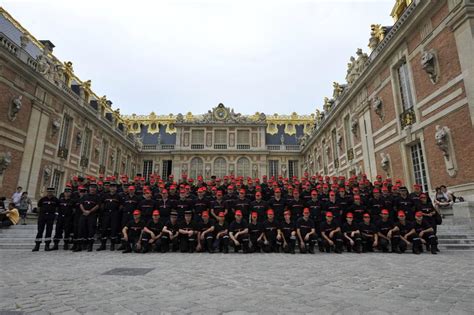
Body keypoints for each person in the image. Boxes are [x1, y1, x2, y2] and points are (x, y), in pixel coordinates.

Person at [75, 183, 101, 252]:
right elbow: (81, 204)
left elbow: (97, 206)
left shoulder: (97, 197)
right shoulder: (85, 196)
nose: (92, 189)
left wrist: (89, 211)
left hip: (92, 215)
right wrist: (84, 211)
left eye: (94, 188)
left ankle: (90, 246)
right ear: (89, 189)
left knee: (91, 231)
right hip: (84, 214)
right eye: (91, 187)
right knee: (81, 229)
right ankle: (79, 246)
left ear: (96, 189)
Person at [97, 183, 123, 251]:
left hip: (115, 214)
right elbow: (101, 204)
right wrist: (103, 211)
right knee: (104, 229)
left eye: (114, 187)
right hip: (106, 213)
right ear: (109, 188)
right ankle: (103, 245)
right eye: (111, 187)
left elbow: (121, 205)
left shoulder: (118, 196)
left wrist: (117, 212)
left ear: (116, 188)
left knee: (113, 229)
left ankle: (112, 244)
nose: (112, 188)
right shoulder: (105, 196)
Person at [33, 188, 59, 252]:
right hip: (42, 216)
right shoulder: (43, 199)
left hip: (50, 216)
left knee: (49, 230)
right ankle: (37, 245)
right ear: (47, 192)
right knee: (40, 231)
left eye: (51, 192)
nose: (50, 193)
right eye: (49, 192)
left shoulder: (55, 200)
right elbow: (39, 206)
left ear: (53, 192)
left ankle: (47, 245)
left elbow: (57, 207)